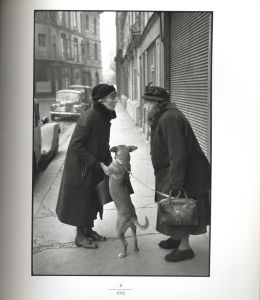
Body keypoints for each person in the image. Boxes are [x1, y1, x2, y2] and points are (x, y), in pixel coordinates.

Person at [142, 83, 211, 262]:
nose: (144, 106)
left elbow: (178, 154)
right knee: (173, 206)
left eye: (147, 102)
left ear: (156, 103)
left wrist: (177, 183)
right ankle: (176, 237)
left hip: (187, 173)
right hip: (175, 170)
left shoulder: (169, 118)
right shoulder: (164, 115)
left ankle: (184, 248)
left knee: (179, 206)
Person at [56, 83, 118, 249]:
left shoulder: (104, 116)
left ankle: (89, 230)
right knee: (81, 200)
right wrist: (97, 163)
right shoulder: (90, 116)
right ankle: (80, 236)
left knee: (92, 199)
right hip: (81, 167)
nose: (116, 100)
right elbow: (76, 145)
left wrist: (110, 163)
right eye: (113, 96)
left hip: (93, 165)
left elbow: (102, 143)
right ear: (102, 100)